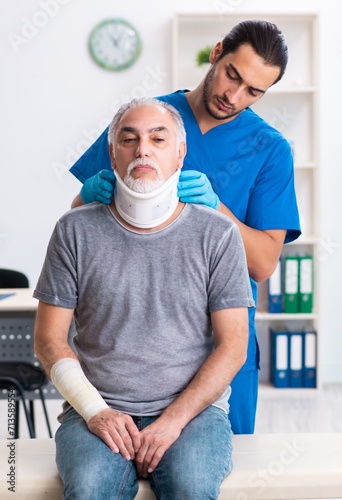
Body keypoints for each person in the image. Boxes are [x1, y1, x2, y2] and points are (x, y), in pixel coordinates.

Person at [68, 19, 301, 434]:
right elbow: (79, 219)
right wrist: (88, 193)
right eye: (233, 75)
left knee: (212, 480)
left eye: (254, 91)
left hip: (221, 342)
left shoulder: (270, 150)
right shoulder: (146, 122)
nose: (235, 96)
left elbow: (264, 264)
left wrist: (217, 206)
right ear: (216, 53)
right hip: (131, 346)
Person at [34, 97, 254, 500]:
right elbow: (49, 339)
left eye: (158, 138)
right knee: (87, 490)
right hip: (97, 408)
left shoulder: (218, 234)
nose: (143, 149)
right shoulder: (73, 230)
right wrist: (94, 409)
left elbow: (235, 344)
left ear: (180, 154)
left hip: (193, 412)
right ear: (112, 156)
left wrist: (174, 419)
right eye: (128, 139)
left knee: (191, 488)